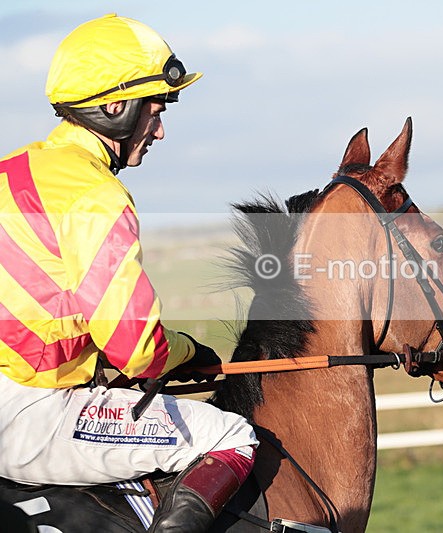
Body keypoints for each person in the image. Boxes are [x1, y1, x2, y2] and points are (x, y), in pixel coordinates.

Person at [0, 14, 259, 532]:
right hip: (28, 418)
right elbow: (137, 349)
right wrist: (189, 352)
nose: (160, 129)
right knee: (231, 436)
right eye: (153, 110)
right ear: (115, 107)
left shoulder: (12, 169)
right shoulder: (97, 194)